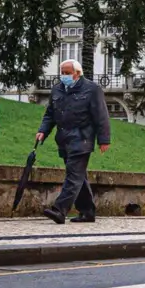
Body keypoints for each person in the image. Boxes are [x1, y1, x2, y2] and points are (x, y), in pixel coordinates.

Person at [36, 59, 111, 224]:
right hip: (64, 139)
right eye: (62, 72)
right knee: (79, 176)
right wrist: (43, 131)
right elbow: (50, 113)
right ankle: (87, 211)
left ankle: (59, 210)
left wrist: (104, 139)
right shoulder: (57, 89)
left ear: (77, 73)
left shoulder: (92, 89)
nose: (64, 76)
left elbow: (101, 115)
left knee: (73, 174)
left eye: (67, 73)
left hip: (82, 138)